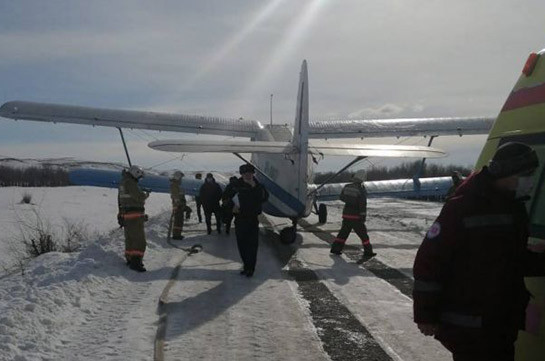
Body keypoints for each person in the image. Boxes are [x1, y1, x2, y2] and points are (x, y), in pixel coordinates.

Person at [413, 142, 545, 361]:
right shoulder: (463, 206)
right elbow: (430, 262)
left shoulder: (513, 205)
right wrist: (426, 314)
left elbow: (512, 258)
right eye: (526, 174)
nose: (531, 180)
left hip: (501, 319)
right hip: (469, 322)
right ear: (506, 173)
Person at [224, 164, 269, 277]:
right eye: (245, 173)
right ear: (241, 174)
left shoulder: (259, 186)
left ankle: (251, 268)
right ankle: (246, 265)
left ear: (253, 173)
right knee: (242, 245)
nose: (248, 175)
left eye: (250, 173)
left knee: (252, 245)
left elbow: (264, 198)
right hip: (240, 219)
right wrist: (231, 206)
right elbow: (225, 199)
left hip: (253, 219)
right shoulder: (235, 185)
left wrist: (255, 188)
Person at [330, 169, 376, 261]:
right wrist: (363, 216)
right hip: (356, 217)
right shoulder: (361, 189)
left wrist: (349, 200)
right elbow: (362, 204)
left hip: (346, 215)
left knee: (343, 233)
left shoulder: (347, 186)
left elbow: (341, 197)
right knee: (363, 235)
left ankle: (335, 249)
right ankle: (368, 251)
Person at [117, 165, 149, 272]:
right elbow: (138, 197)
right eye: (139, 177)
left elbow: (121, 200)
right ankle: (136, 263)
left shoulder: (123, 182)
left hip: (127, 215)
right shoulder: (130, 183)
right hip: (134, 215)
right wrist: (145, 194)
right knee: (139, 240)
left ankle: (130, 259)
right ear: (135, 174)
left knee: (130, 239)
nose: (139, 180)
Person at [169, 171, 186, 240]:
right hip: (178, 205)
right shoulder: (174, 185)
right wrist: (178, 204)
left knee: (179, 220)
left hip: (179, 205)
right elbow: (175, 196)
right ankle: (176, 235)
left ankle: (178, 234)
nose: (181, 179)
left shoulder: (176, 185)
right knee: (178, 220)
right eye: (180, 178)